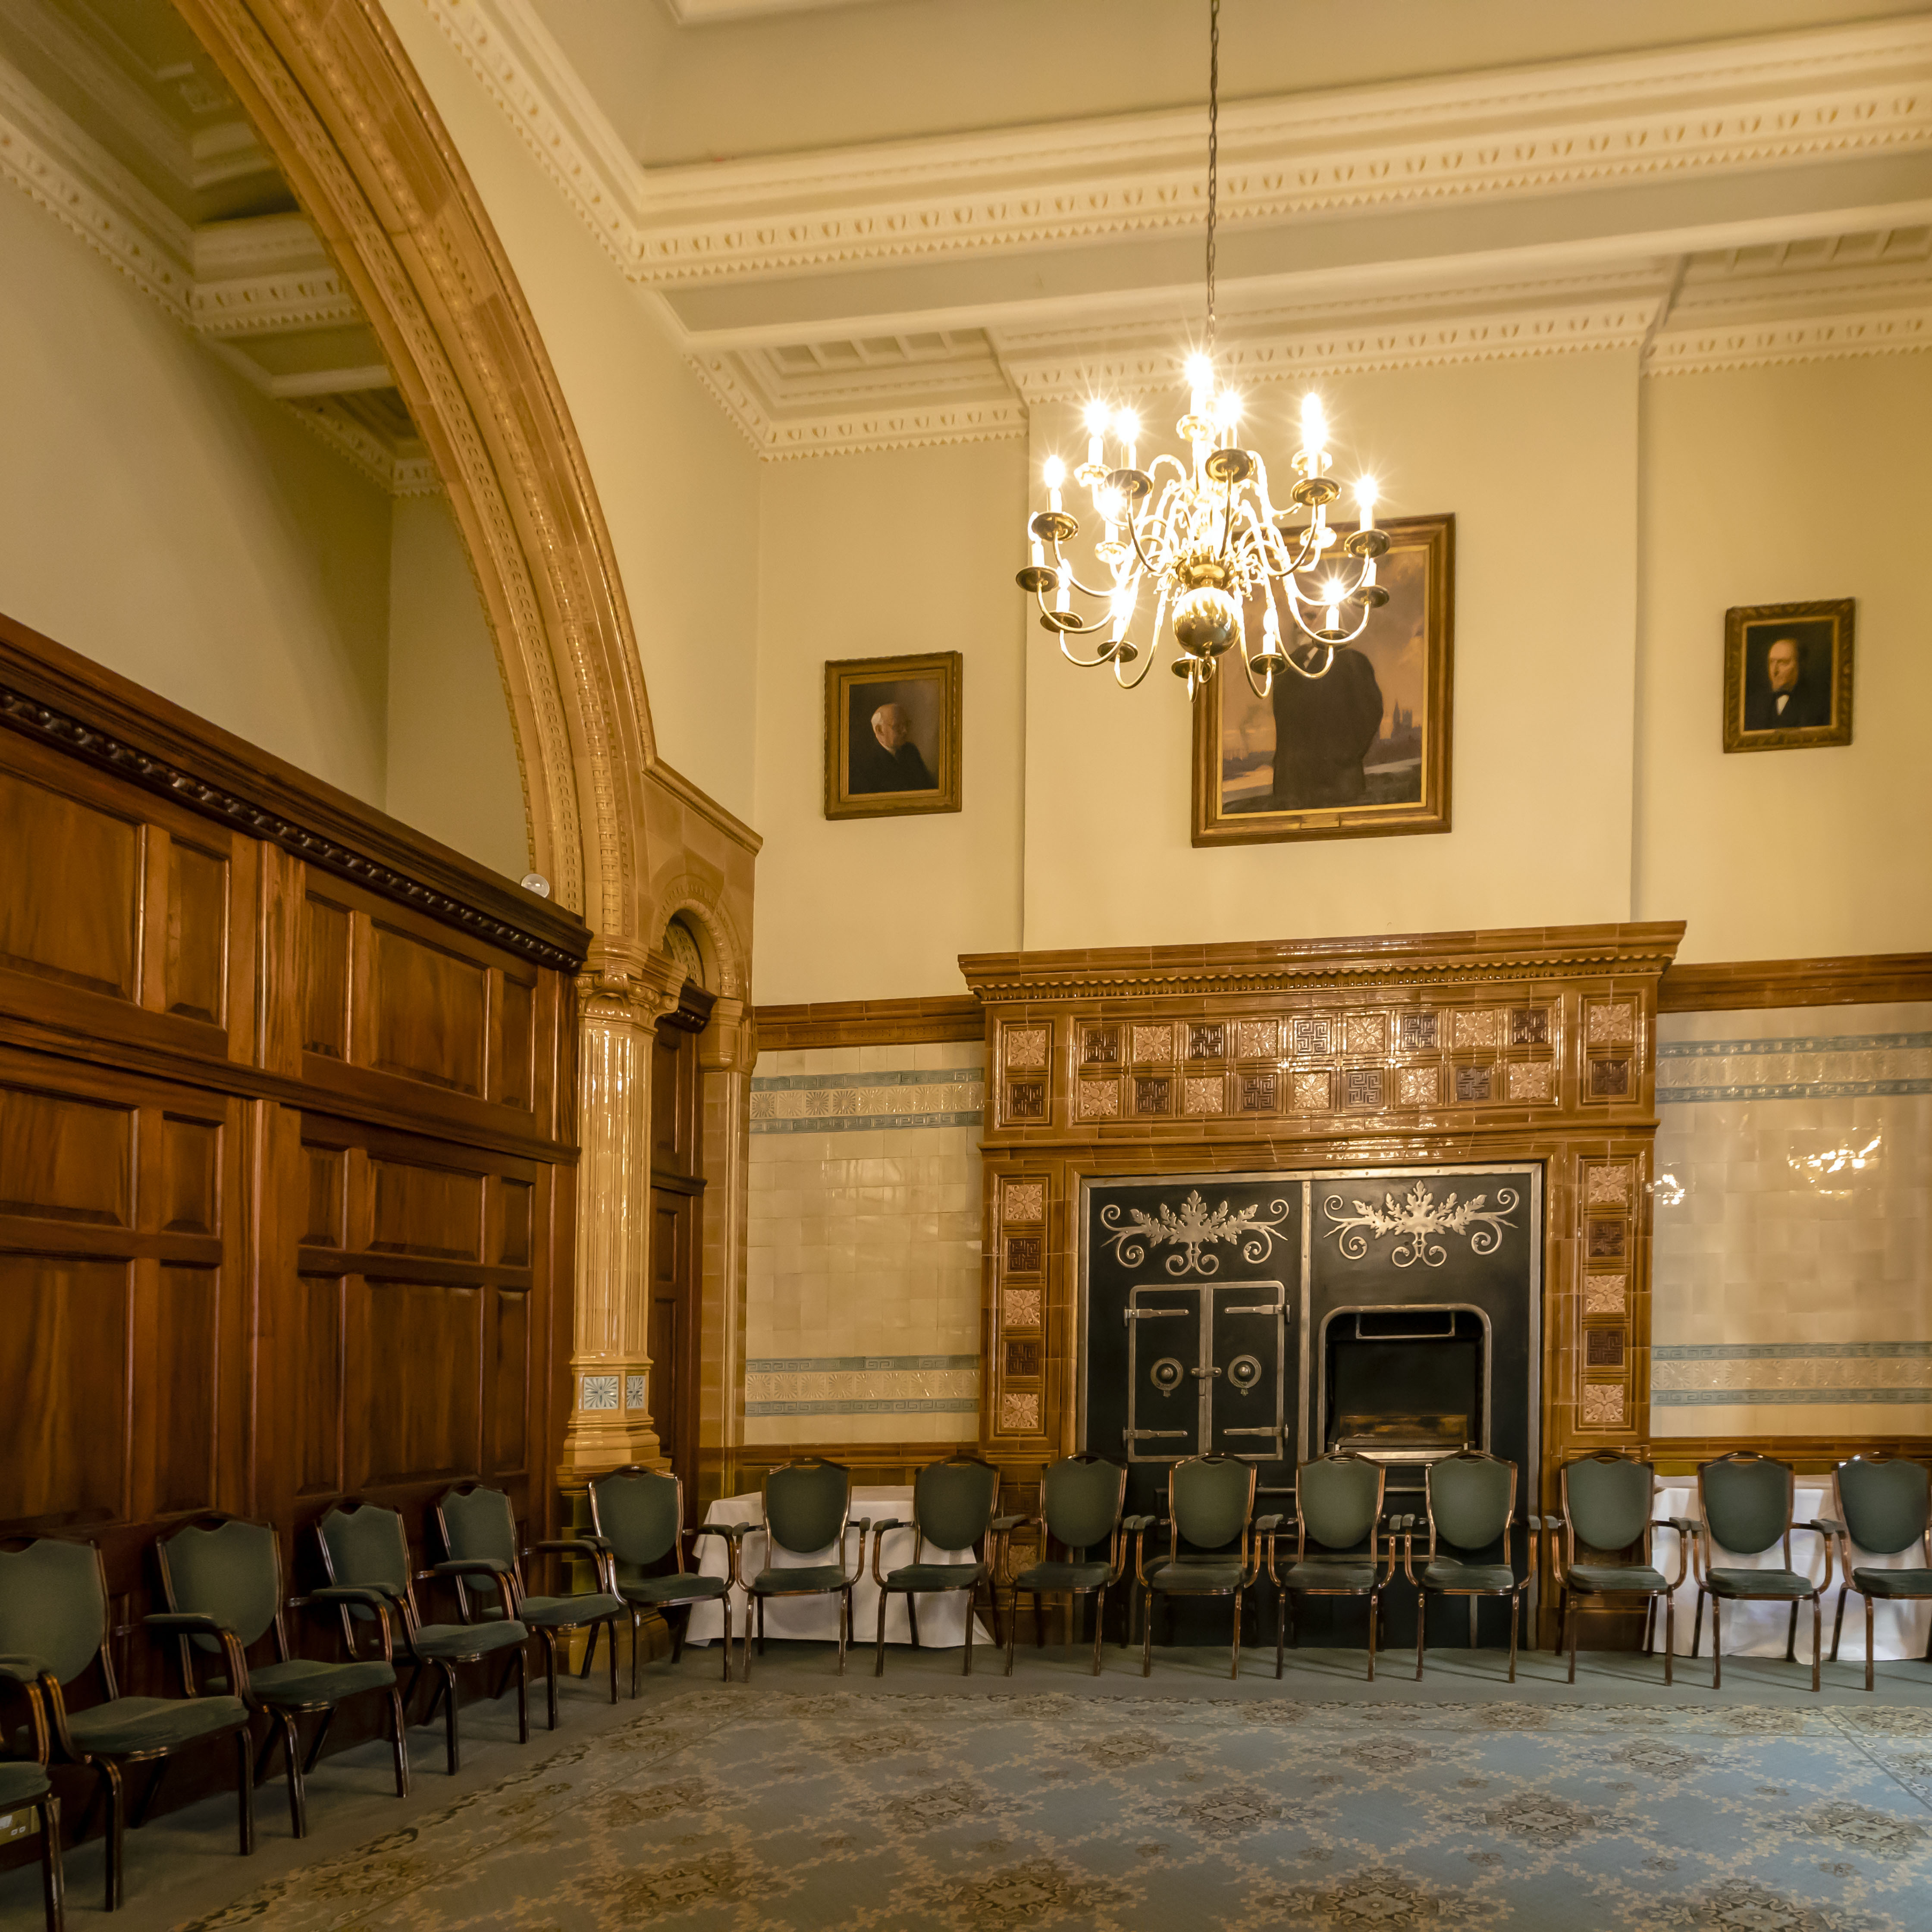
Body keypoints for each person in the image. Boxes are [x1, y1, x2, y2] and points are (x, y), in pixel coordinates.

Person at [1267, 641, 1384, 809]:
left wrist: (1343, 756)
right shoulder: (1285, 667)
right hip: (1290, 791)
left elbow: (1370, 711)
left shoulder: (1350, 661)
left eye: (1311, 616)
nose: (1299, 625)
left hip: (1338, 788)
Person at [1744, 634, 1829, 731]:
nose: (1774, 671)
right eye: (1772, 662)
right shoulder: (1755, 704)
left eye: (1782, 663)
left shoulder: (1819, 703)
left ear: (1801, 665)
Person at [848, 699, 935, 793]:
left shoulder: (911, 751)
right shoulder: (865, 761)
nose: (905, 731)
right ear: (880, 730)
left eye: (906, 724)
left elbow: (928, 786)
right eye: (898, 726)